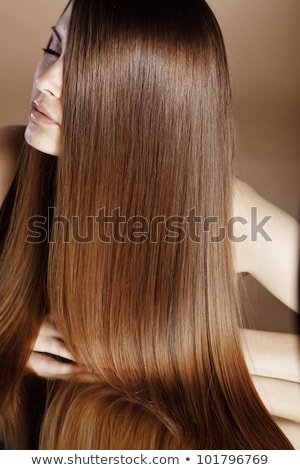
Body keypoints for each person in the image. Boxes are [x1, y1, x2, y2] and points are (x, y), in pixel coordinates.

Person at [0, 0, 299, 449]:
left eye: (84, 74)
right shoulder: (9, 162)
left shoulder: (222, 211)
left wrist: (156, 350)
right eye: (53, 49)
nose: (45, 82)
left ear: (146, 103)